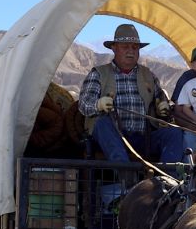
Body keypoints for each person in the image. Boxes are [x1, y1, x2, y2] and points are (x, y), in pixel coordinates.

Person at [78, 23, 185, 163]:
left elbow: (161, 102)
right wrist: (98, 105)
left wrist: (163, 109)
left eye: (135, 47)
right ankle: (126, 176)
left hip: (143, 138)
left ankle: (168, 181)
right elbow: (83, 105)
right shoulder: (98, 74)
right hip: (111, 137)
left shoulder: (149, 75)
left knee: (174, 133)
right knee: (103, 123)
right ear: (114, 48)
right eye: (125, 47)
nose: (131, 51)